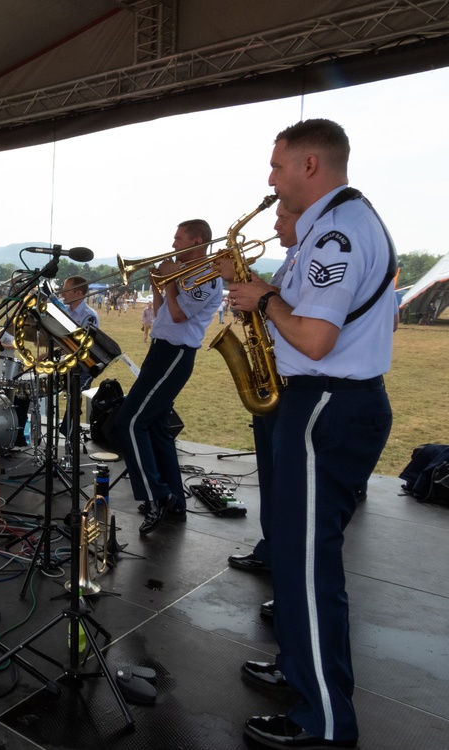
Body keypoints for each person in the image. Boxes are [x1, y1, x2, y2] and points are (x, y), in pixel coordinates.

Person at [229, 119, 395, 750]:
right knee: (300, 562)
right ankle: (301, 668)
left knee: (305, 570)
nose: (269, 180)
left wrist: (265, 298)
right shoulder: (342, 224)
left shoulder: (337, 233)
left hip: (324, 405)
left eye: (276, 166)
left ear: (309, 166)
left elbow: (317, 339)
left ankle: (323, 721)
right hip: (333, 403)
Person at [114, 219, 221, 535]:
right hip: (161, 349)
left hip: (175, 354)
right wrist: (161, 286)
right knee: (158, 426)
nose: (173, 245)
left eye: (179, 239)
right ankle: (174, 501)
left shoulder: (206, 275)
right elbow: (164, 312)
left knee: (130, 421)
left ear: (197, 240)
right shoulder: (185, 274)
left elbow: (179, 315)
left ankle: (155, 495)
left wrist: (171, 282)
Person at [223, 201, 300, 581]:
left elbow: (287, 309)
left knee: (286, 487)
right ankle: (272, 552)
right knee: (271, 478)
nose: (276, 223)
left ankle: (284, 567)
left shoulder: (310, 257)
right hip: (272, 376)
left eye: (283, 218)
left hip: (290, 383)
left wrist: (262, 297)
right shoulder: (292, 260)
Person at [56, 275, 99, 439]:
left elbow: (81, 345)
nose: (62, 293)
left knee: (74, 399)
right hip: (67, 364)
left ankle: (69, 437)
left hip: (84, 367)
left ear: (78, 293)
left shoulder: (89, 316)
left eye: (66, 290)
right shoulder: (66, 312)